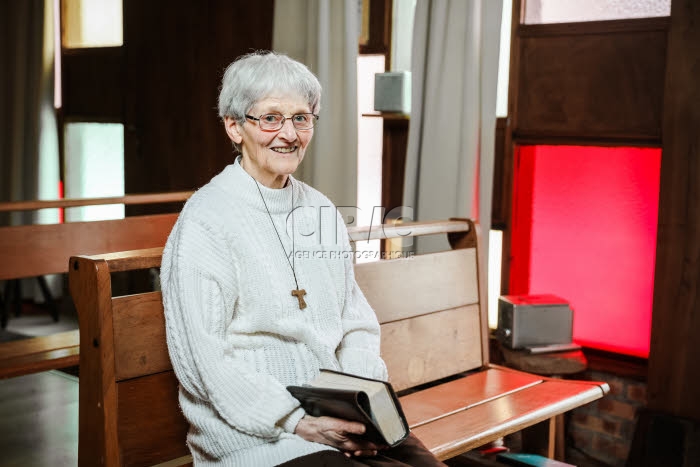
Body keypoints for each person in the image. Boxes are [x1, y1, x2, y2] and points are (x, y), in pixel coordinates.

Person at [161, 51, 446, 467]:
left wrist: (358, 401)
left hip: (335, 417)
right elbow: (206, 362)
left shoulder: (320, 210)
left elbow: (357, 324)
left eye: (301, 118)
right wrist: (297, 420)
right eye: (271, 118)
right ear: (234, 126)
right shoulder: (206, 220)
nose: (289, 134)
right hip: (257, 438)